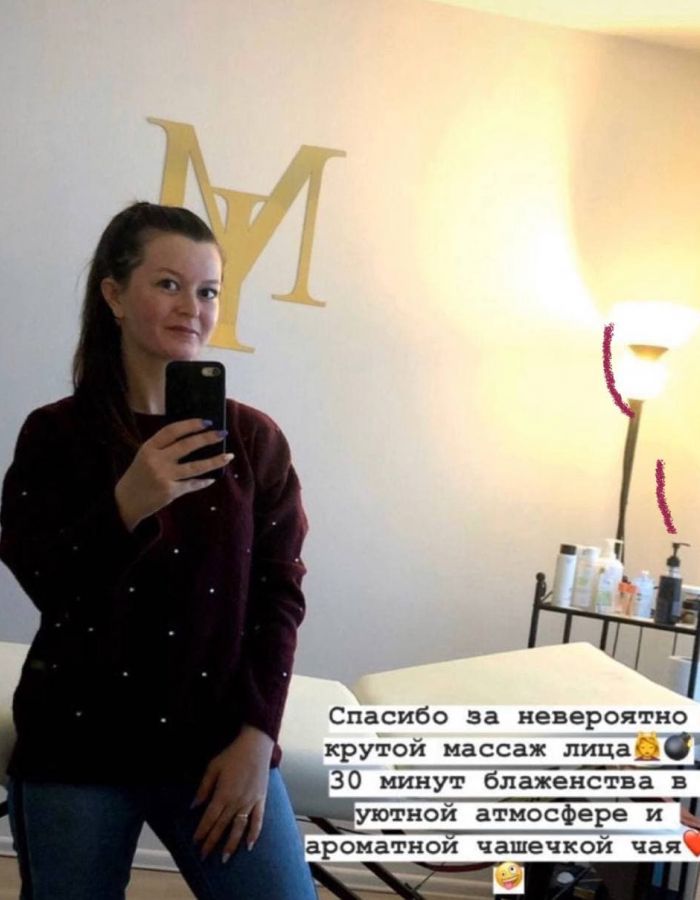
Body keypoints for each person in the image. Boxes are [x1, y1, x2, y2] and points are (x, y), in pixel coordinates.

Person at [0, 201, 318, 900]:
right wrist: (128, 502)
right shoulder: (55, 436)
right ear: (114, 296)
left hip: (217, 743)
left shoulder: (254, 441)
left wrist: (257, 738)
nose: (192, 309)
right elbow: (48, 585)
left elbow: (280, 597)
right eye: (168, 284)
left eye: (207, 291)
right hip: (78, 739)